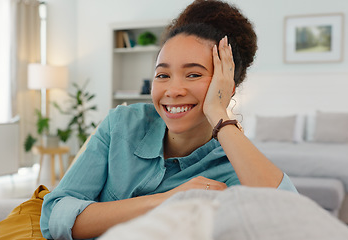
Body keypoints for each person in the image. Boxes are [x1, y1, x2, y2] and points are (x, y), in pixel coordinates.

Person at [40, 1, 297, 239]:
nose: (173, 90)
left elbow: (288, 222)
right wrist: (167, 200)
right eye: (163, 75)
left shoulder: (235, 168)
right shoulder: (122, 124)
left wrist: (219, 114)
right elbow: (55, 216)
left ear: (227, 85)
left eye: (194, 74)